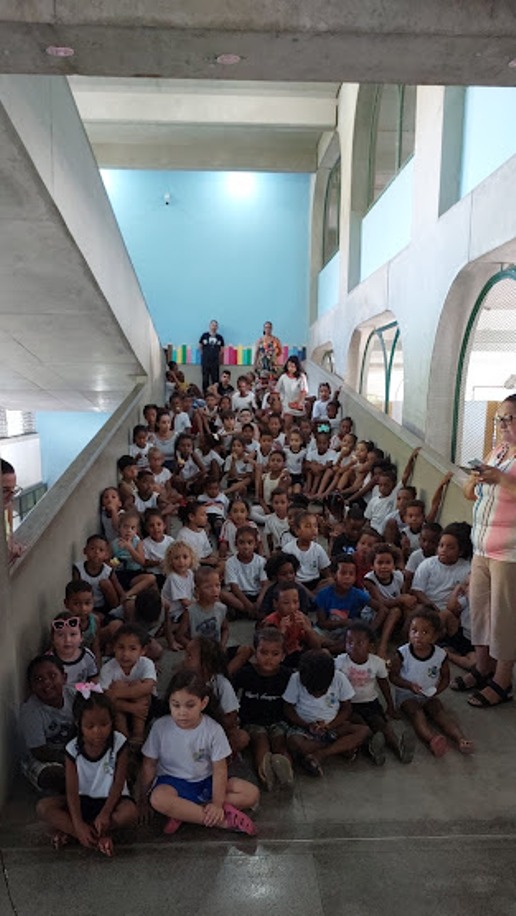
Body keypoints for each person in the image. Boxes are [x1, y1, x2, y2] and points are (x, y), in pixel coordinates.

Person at [452, 394, 516, 707]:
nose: (502, 425)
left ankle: (502, 681)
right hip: (482, 547)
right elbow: (470, 492)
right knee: (479, 610)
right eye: (499, 419)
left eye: (509, 418)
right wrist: (476, 479)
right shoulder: (498, 452)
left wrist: (501, 479)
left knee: (504, 618)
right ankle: (482, 667)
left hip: (509, 554)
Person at [138, 670, 258, 836]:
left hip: (206, 783)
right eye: (176, 705)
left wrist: (217, 804)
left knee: (251, 793)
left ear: (203, 703)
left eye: (190, 705)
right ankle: (223, 822)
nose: (182, 712)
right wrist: (142, 799)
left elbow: (220, 769)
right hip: (173, 784)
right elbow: (149, 765)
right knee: (158, 799)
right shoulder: (160, 727)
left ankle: (185, 813)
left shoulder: (213, 729)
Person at [36, 687, 137, 855]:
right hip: (82, 800)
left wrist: (105, 813)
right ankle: (88, 835)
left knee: (130, 812)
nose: (98, 731)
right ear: (78, 724)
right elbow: (72, 791)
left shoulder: (119, 743)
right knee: (44, 807)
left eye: (104, 724)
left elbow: (118, 783)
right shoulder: (72, 749)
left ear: (112, 721)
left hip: (111, 801)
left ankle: (90, 833)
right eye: (90, 726)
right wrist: (77, 824)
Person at [389, 610, 473, 756]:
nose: (418, 635)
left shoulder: (440, 655)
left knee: (440, 713)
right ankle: (432, 739)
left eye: (425, 632)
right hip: (406, 695)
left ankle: (461, 739)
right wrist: (409, 686)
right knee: (417, 714)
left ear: (435, 636)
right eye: (414, 630)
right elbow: (393, 677)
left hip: (428, 694)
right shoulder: (403, 653)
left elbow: (445, 677)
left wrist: (436, 690)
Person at [336, 621, 416, 764]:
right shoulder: (340, 662)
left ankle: (399, 748)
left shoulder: (377, 663)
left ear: (371, 647)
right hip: (349, 705)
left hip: (371, 703)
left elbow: (384, 685)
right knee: (363, 728)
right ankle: (374, 750)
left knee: (382, 725)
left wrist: (390, 706)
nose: (353, 646)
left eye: (360, 643)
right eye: (349, 642)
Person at [283, 649, 370, 776]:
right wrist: (307, 725)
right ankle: (341, 747)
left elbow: (346, 709)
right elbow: (288, 708)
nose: (316, 695)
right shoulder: (295, 679)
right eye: (311, 691)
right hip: (304, 728)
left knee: (363, 731)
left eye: (322, 691)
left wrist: (330, 726)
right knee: (294, 742)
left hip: (333, 726)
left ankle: (321, 754)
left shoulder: (339, 678)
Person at [232, 628, 293, 789]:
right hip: (252, 721)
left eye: (275, 654)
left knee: (280, 744)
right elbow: (231, 696)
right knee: (261, 743)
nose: (269, 658)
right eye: (264, 652)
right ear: (255, 653)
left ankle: (286, 773)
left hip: (278, 721)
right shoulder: (245, 674)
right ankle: (265, 776)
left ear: (283, 656)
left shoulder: (288, 676)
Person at [19, 655, 76, 794]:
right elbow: (39, 751)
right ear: (31, 686)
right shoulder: (30, 710)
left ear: (64, 677)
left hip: (74, 752)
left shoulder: (74, 696)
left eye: (52, 676)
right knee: (56, 776)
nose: (46, 682)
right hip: (44, 759)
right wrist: (71, 761)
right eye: (38, 679)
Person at [99, 625, 157, 747]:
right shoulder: (108, 668)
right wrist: (132, 707)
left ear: (143, 650)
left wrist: (116, 692)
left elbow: (148, 687)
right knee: (116, 689)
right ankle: (123, 738)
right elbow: (104, 698)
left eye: (132, 649)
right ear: (113, 647)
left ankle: (138, 735)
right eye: (121, 647)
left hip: (145, 709)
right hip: (122, 709)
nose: (125, 654)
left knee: (138, 687)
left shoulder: (146, 664)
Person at [48, 612, 98, 688]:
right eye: (61, 635)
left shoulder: (87, 656)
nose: (67, 640)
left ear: (81, 637)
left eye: (73, 634)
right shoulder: (49, 660)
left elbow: (94, 680)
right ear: (53, 639)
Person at [276, 356, 308, 431]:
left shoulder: (301, 377)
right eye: (289, 366)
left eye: (293, 366)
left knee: (301, 425)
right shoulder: (283, 377)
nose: (290, 368)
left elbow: (304, 391)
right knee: (287, 423)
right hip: (286, 404)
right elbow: (277, 390)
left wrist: (299, 402)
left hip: (298, 404)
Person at [1, 457, 23, 562]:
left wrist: (13, 547)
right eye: (5, 490)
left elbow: (9, 540)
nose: (11, 496)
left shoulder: (7, 507)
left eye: (13, 490)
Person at [199, 320, 225, 392]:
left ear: (217, 327)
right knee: (205, 379)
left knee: (215, 379)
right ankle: (205, 394)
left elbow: (222, 349)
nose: (214, 327)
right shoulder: (204, 335)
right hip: (205, 361)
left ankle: (215, 394)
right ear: (210, 326)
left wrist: (216, 356)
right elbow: (200, 346)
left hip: (215, 362)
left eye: (215, 325)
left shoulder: (220, 337)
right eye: (213, 325)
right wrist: (204, 355)